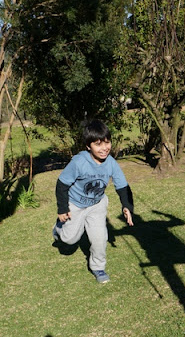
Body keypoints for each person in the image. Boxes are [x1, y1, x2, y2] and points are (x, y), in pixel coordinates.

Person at [53, 119, 134, 283]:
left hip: (97, 205)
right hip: (74, 205)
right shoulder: (79, 162)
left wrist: (127, 206)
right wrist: (62, 209)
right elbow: (62, 184)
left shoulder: (111, 162)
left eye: (107, 142)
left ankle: (98, 268)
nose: (104, 148)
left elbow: (122, 185)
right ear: (88, 146)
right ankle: (58, 228)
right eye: (98, 144)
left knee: (99, 238)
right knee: (69, 239)